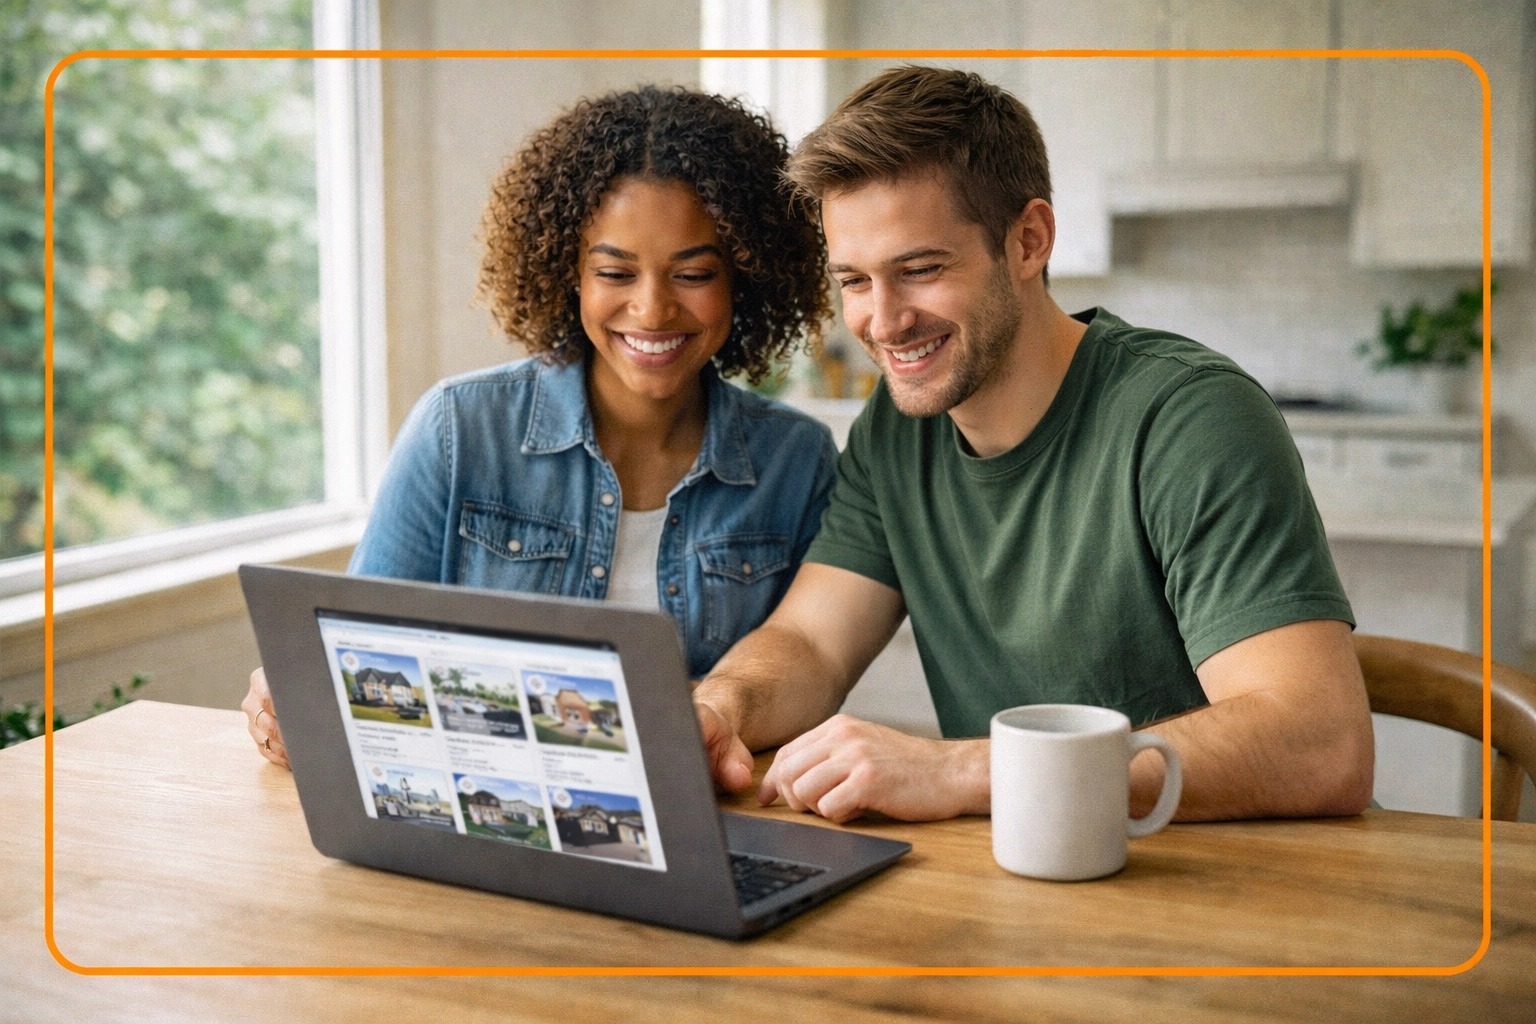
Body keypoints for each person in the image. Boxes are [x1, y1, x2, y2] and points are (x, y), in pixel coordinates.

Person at [693, 66, 1375, 824]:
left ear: (1028, 240)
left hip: (1236, 884)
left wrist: (965, 769)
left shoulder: (1190, 418)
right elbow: (811, 642)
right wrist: (722, 707)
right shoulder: (897, 429)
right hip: (1033, 877)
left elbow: (1319, 744)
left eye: (919, 270)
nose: (882, 322)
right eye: (854, 281)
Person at [244, 86, 837, 767]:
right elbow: (360, 653)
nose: (652, 309)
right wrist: (294, 696)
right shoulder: (460, 428)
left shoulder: (795, 459)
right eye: (615, 271)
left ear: (747, 278)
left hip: (710, 818)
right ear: (567, 275)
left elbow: (803, 681)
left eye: (694, 273)